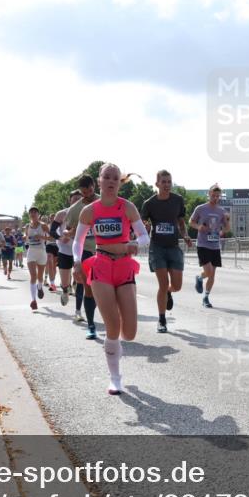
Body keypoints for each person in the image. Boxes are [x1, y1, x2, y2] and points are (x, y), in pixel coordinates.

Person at [72, 163, 149, 395]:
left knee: (131, 333)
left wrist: (135, 243)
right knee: (112, 325)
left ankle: (117, 354)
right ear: (100, 181)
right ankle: (115, 378)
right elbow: (78, 241)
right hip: (101, 266)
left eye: (116, 178)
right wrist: (77, 261)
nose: (111, 181)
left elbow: (145, 236)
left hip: (124, 266)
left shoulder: (127, 207)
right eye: (107, 177)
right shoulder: (90, 210)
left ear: (119, 182)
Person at [141, 170, 192, 332]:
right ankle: (162, 320)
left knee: (176, 286)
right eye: (163, 182)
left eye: (169, 181)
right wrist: (145, 228)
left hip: (173, 247)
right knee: (162, 285)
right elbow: (142, 223)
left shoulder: (178, 200)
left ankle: (169, 292)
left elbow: (181, 222)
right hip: (157, 248)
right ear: (157, 184)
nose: (167, 185)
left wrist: (185, 235)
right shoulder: (149, 204)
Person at [65, 176, 100, 338]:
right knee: (88, 288)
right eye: (84, 193)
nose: (88, 195)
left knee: (102, 288)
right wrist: (70, 233)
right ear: (80, 191)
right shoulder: (75, 209)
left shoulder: (105, 201)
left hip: (103, 251)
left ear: (95, 186)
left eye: (90, 191)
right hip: (84, 250)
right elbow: (68, 229)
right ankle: (91, 326)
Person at [189, 184, 230, 308]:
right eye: (213, 195)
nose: (215, 198)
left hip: (215, 245)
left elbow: (227, 228)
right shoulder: (201, 208)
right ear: (209, 194)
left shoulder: (221, 211)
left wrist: (226, 224)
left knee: (212, 274)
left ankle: (206, 297)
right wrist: (199, 227)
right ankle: (200, 277)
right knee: (208, 271)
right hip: (202, 244)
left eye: (218, 196)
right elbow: (191, 222)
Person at [51, 192, 80, 306]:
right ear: (70, 201)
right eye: (74, 199)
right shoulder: (62, 214)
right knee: (64, 281)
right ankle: (65, 290)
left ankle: (75, 284)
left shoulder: (86, 212)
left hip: (80, 248)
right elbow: (52, 231)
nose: (77, 201)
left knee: (79, 274)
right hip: (64, 249)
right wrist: (61, 237)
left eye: (79, 199)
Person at [23, 208, 49, 309]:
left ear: (38, 214)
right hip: (31, 252)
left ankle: (39, 287)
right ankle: (33, 300)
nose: (33, 214)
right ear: (29, 215)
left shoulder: (43, 225)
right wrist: (25, 237)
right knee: (33, 276)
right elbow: (26, 235)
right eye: (31, 212)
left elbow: (52, 238)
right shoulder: (27, 226)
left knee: (40, 276)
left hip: (42, 252)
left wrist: (41, 237)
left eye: (35, 212)